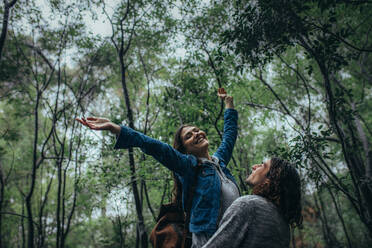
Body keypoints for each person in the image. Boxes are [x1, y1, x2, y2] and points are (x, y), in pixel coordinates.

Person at [76, 88, 240, 248]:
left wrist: (228, 103)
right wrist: (117, 129)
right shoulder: (189, 166)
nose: (196, 134)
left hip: (236, 238)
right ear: (185, 150)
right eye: (188, 136)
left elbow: (229, 136)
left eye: (196, 130)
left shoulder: (219, 163)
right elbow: (157, 147)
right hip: (209, 240)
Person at [202, 157, 302, 248]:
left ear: (270, 179)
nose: (254, 167)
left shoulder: (249, 205)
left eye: (262, 165)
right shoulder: (284, 227)